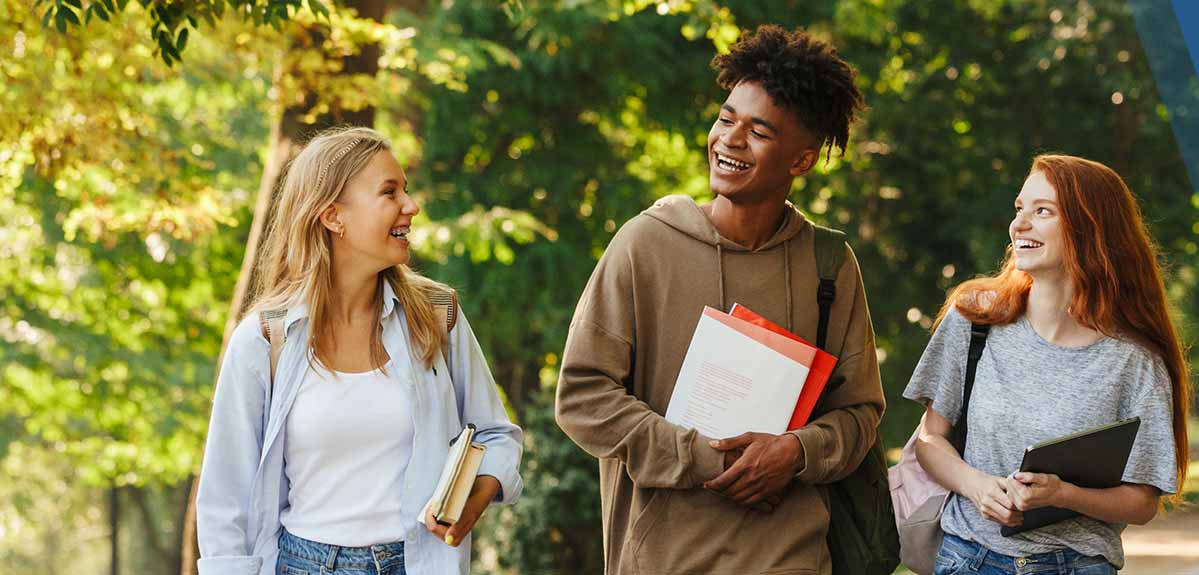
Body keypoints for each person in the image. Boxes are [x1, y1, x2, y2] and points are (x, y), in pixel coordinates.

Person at [553, 25, 881, 573]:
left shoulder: (830, 265)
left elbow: (861, 414)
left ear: (800, 161)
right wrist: (706, 457)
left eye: (758, 132)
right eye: (726, 119)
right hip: (665, 557)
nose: (729, 139)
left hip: (792, 557)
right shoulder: (645, 244)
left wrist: (795, 453)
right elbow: (583, 399)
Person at [196, 127, 522, 575]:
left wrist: (475, 496)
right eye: (389, 193)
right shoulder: (264, 340)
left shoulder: (436, 317)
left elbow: (496, 435)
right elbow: (225, 498)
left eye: (405, 189)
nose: (412, 206)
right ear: (333, 217)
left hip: (416, 564)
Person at [904, 155, 1193, 575]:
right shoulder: (975, 320)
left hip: (1077, 566)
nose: (1019, 224)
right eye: (1020, 208)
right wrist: (977, 486)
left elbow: (1142, 501)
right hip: (967, 559)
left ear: (1091, 229)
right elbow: (930, 440)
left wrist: (1063, 494)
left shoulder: (1134, 361)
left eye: (1043, 211)